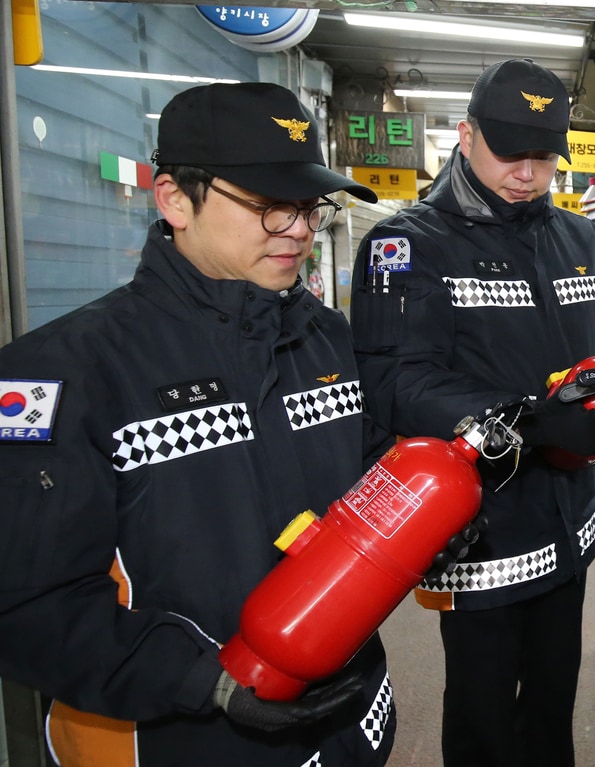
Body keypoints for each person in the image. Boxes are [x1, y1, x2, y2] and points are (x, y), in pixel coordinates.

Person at [0, 82, 398, 766]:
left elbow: (364, 494)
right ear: (175, 199)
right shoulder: (61, 375)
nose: (299, 230)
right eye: (270, 207)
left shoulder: (330, 340)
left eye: (307, 207)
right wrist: (208, 680)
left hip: (348, 731)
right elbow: (29, 605)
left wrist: (421, 532)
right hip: (178, 741)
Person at [350, 58, 595, 766]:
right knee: (482, 716)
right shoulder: (408, 246)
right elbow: (397, 381)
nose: (527, 171)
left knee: (552, 705)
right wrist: (528, 420)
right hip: (477, 530)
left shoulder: (583, 242)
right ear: (465, 133)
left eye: (543, 156)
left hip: (570, 522)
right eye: (509, 150)